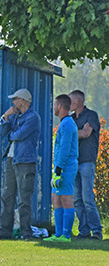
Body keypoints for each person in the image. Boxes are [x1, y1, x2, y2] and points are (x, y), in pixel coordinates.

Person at [0, 88, 41, 240]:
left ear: (23, 101)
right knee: (7, 196)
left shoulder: (33, 117)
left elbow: (19, 135)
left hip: (25, 161)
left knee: (24, 198)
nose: (13, 102)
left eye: (15, 99)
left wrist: (12, 135)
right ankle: (4, 231)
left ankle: (26, 232)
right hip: (11, 159)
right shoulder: (14, 116)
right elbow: (2, 133)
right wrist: (6, 116)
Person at [44, 94, 79, 242]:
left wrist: (58, 170)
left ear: (59, 106)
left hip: (65, 168)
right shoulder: (64, 124)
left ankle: (66, 235)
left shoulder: (67, 125)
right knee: (55, 198)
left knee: (66, 199)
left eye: (54, 104)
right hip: (58, 167)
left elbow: (65, 149)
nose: (53, 107)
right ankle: (58, 234)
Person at [69, 90, 103, 240]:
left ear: (78, 101)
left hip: (87, 162)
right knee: (77, 199)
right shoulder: (71, 119)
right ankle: (84, 231)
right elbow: (79, 133)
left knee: (87, 198)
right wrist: (78, 132)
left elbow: (86, 134)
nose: (68, 104)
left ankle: (96, 231)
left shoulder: (91, 115)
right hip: (74, 162)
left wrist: (71, 133)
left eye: (70, 101)